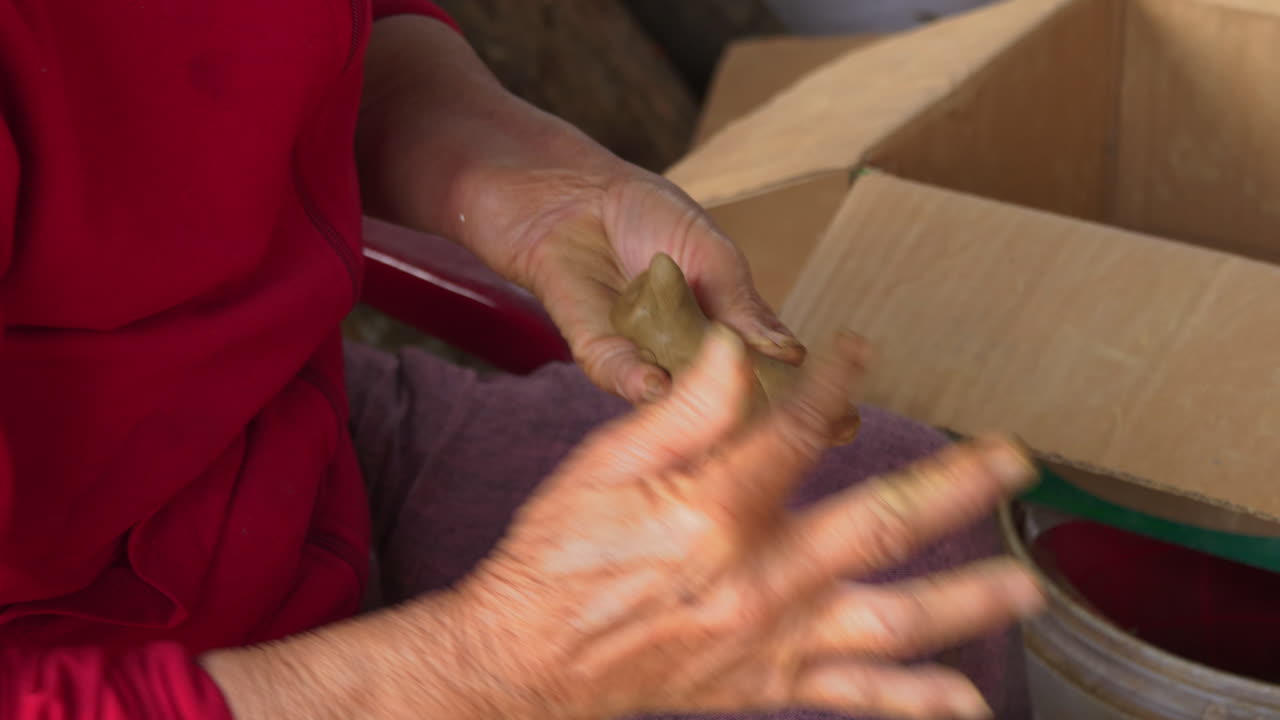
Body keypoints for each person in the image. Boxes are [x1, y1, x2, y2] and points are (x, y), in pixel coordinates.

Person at [0, 2, 1045, 718]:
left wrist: (500, 165)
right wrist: (489, 663)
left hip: (263, 447)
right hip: (106, 663)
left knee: (889, 538)